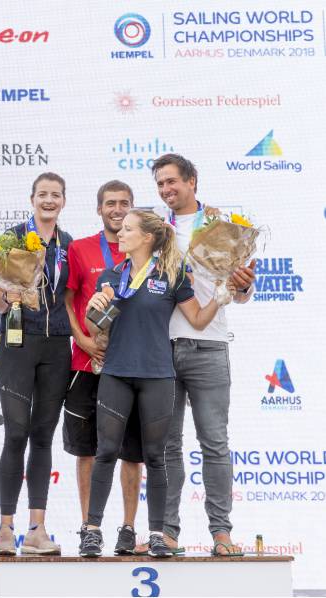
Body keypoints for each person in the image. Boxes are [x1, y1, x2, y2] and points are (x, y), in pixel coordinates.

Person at [80, 209, 229, 557]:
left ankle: (158, 534)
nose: (120, 233)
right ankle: (91, 531)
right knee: (106, 451)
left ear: (146, 237)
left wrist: (220, 297)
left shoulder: (172, 274)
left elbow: (197, 320)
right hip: (117, 373)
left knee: (156, 456)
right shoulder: (111, 275)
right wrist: (92, 310)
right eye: (121, 228)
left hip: (158, 376)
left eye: (127, 229)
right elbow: (96, 330)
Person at [151, 154, 256, 556]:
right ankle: (167, 532)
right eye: (161, 184)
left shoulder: (222, 224)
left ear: (192, 180)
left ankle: (221, 533)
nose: (166, 189)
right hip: (161, 347)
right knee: (167, 446)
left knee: (214, 443)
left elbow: (240, 292)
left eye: (172, 181)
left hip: (210, 344)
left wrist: (243, 285)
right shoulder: (155, 228)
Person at [0, 173, 72, 555]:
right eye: (43, 194)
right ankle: (6, 529)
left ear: (63, 201)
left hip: (57, 346)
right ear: (32, 199)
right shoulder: (10, 240)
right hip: (17, 342)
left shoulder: (68, 245)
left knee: (43, 436)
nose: (49, 200)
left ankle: (36, 530)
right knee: (15, 434)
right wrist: (7, 297)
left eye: (55, 195)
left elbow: (71, 297)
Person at [63, 180, 143, 554]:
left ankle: (128, 528)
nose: (116, 209)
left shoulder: (144, 251)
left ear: (132, 208)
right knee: (87, 450)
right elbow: (68, 300)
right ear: (99, 209)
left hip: (130, 366)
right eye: (110, 203)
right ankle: (88, 527)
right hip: (86, 364)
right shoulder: (79, 248)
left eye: (124, 203)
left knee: (132, 451)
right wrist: (83, 340)